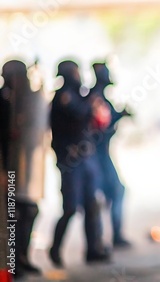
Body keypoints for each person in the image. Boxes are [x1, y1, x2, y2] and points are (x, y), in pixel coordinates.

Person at [49, 60, 111, 267]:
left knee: (92, 205)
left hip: (87, 158)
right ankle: (55, 249)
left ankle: (94, 249)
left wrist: (99, 86)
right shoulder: (63, 97)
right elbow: (81, 112)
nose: (77, 76)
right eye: (74, 72)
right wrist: (97, 88)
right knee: (70, 208)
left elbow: (92, 112)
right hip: (71, 161)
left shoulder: (80, 94)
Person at [1, 60, 46, 277]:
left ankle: (21, 257)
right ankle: (12, 263)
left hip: (20, 170)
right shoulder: (4, 100)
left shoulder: (22, 100)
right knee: (12, 216)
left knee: (29, 211)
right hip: (6, 170)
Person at [88, 62, 131, 248]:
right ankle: (100, 241)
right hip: (96, 156)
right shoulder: (95, 99)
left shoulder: (99, 98)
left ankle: (109, 238)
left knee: (113, 193)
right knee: (97, 198)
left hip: (101, 155)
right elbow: (99, 129)